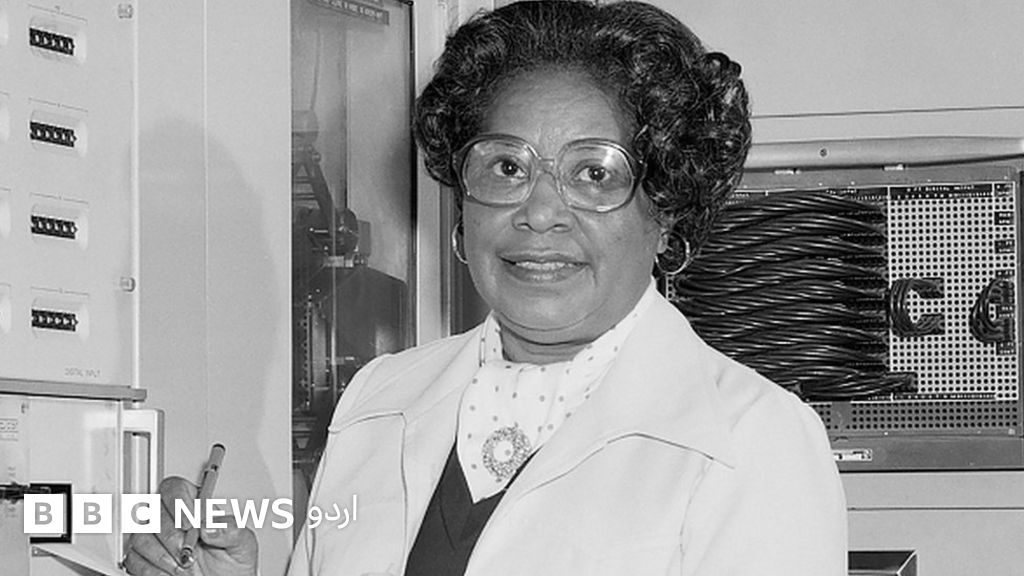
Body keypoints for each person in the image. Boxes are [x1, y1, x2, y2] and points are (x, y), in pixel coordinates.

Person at [124, 1, 847, 575]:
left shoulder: (755, 440)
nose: (539, 212)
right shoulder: (378, 401)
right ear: (463, 203)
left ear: (665, 212)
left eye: (594, 173)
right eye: (506, 167)